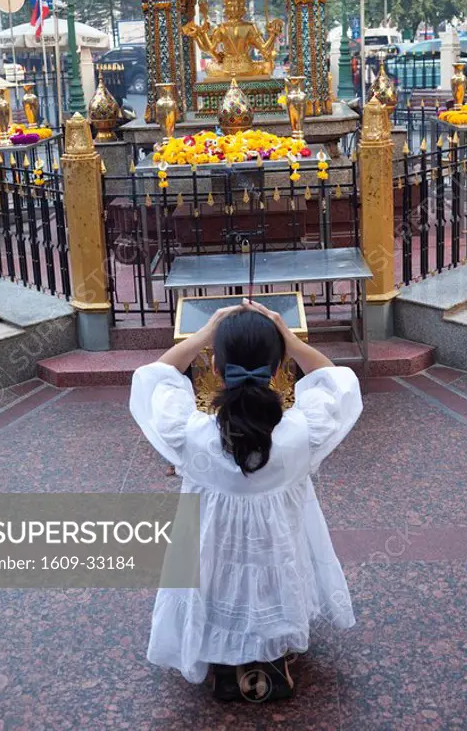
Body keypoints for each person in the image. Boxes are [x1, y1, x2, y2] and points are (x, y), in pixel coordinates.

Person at [130, 299, 362, 702]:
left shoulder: (190, 434)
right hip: (277, 555)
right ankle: (270, 659)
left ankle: (223, 660)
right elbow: (337, 382)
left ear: (216, 368)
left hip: (213, 560)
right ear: (278, 369)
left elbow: (154, 378)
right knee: (272, 577)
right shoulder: (301, 433)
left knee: (218, 583)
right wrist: (288, 338)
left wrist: (207, 331)